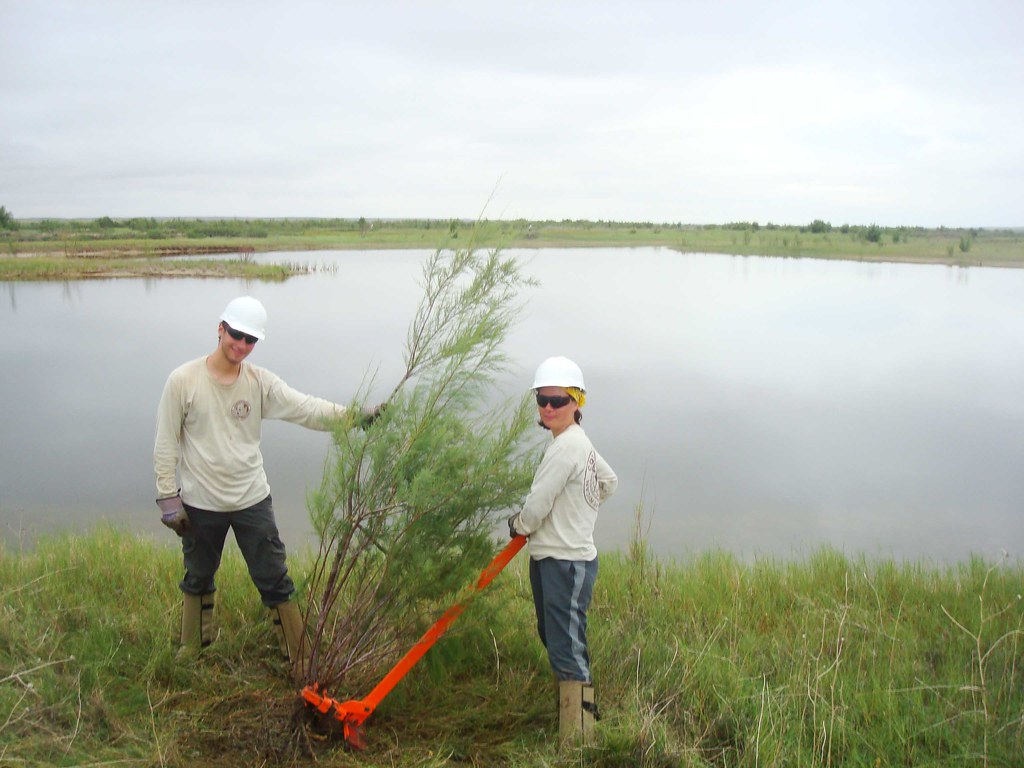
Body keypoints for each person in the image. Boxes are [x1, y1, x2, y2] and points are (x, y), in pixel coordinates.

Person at [153, 296, 379, 671]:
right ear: (220, 328)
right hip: (200, 503)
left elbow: (306, 408)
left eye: (250, 340)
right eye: (235, 335)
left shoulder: (260, 383)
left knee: (274, 576)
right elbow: (165, 442)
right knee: (198, 575)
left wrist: (356, 417)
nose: (240, 346)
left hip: (251, 500)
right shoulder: (182, 381)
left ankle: (300, 657)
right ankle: (191, 650)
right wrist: (168, 500)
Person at [507, 356, 618, 747]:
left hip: (565, 562)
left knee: (565, 643)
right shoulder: (576, 443)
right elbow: (607, 481)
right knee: (558, 636)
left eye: (558, 400)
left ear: (576, 402)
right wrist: (579, 508)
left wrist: (519, 525)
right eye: (542, 400)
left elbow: (537, 505)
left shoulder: (566, 447)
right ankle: (576, 710)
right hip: (557, 557)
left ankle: (579, 736)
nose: (549, 408)